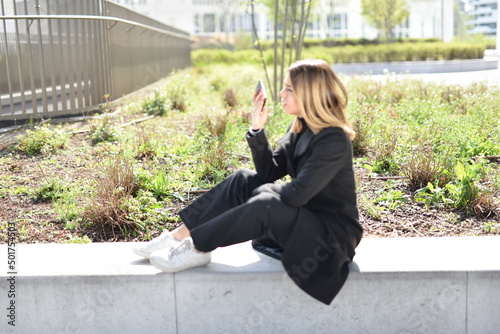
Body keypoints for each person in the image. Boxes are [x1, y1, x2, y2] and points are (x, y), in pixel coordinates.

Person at [133, 59, 363, 305]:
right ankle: (177, 237)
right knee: (243, 178)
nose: (281, 94)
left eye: (289, 89)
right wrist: (257, 129)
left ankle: (199, 248)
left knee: (266, 203)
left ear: (310, 94)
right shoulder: (300, 127)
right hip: (306, 218)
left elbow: (298, 194)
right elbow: (268, 173)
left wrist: (265, 194)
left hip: (330, 237)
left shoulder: (333, 139)